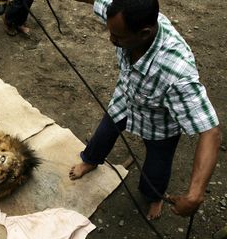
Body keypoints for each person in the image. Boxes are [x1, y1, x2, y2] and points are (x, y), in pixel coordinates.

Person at [69, 0, 221, 220]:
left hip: (160, 123)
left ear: (144, 33)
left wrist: (195, 194)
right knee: (103, 134)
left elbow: (210, 132)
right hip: (126, 97)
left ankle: (154, 196)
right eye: (111, 32)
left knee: (156, 168)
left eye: (118, 37)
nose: (111, 40)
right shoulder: (124, 17)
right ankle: (90, 161)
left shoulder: (177, 72)